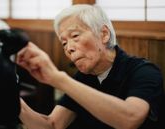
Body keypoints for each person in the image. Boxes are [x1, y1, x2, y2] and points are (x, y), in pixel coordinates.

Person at [16, 4, 165, 129]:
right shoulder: (84, 77)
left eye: (74, 36)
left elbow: (130, 118)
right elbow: (53, 125)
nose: (69, 48)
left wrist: (58, 79)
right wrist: (15, 102)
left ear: (104, 34)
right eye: (64, 43)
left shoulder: (144, 71)